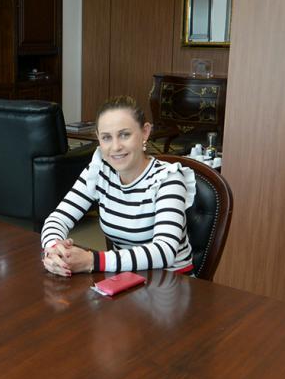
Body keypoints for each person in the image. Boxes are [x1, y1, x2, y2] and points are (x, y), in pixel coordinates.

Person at [40, 96, 196, 276]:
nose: (115, 147)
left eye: (124, 135)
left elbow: (164, 252)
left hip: (171, 281)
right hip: (126, 279)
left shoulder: (168, 178)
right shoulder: (99, 171)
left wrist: (92, 260)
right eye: (106, 137)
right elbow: (57, 219)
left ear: (145, 132)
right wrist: (55, 251)